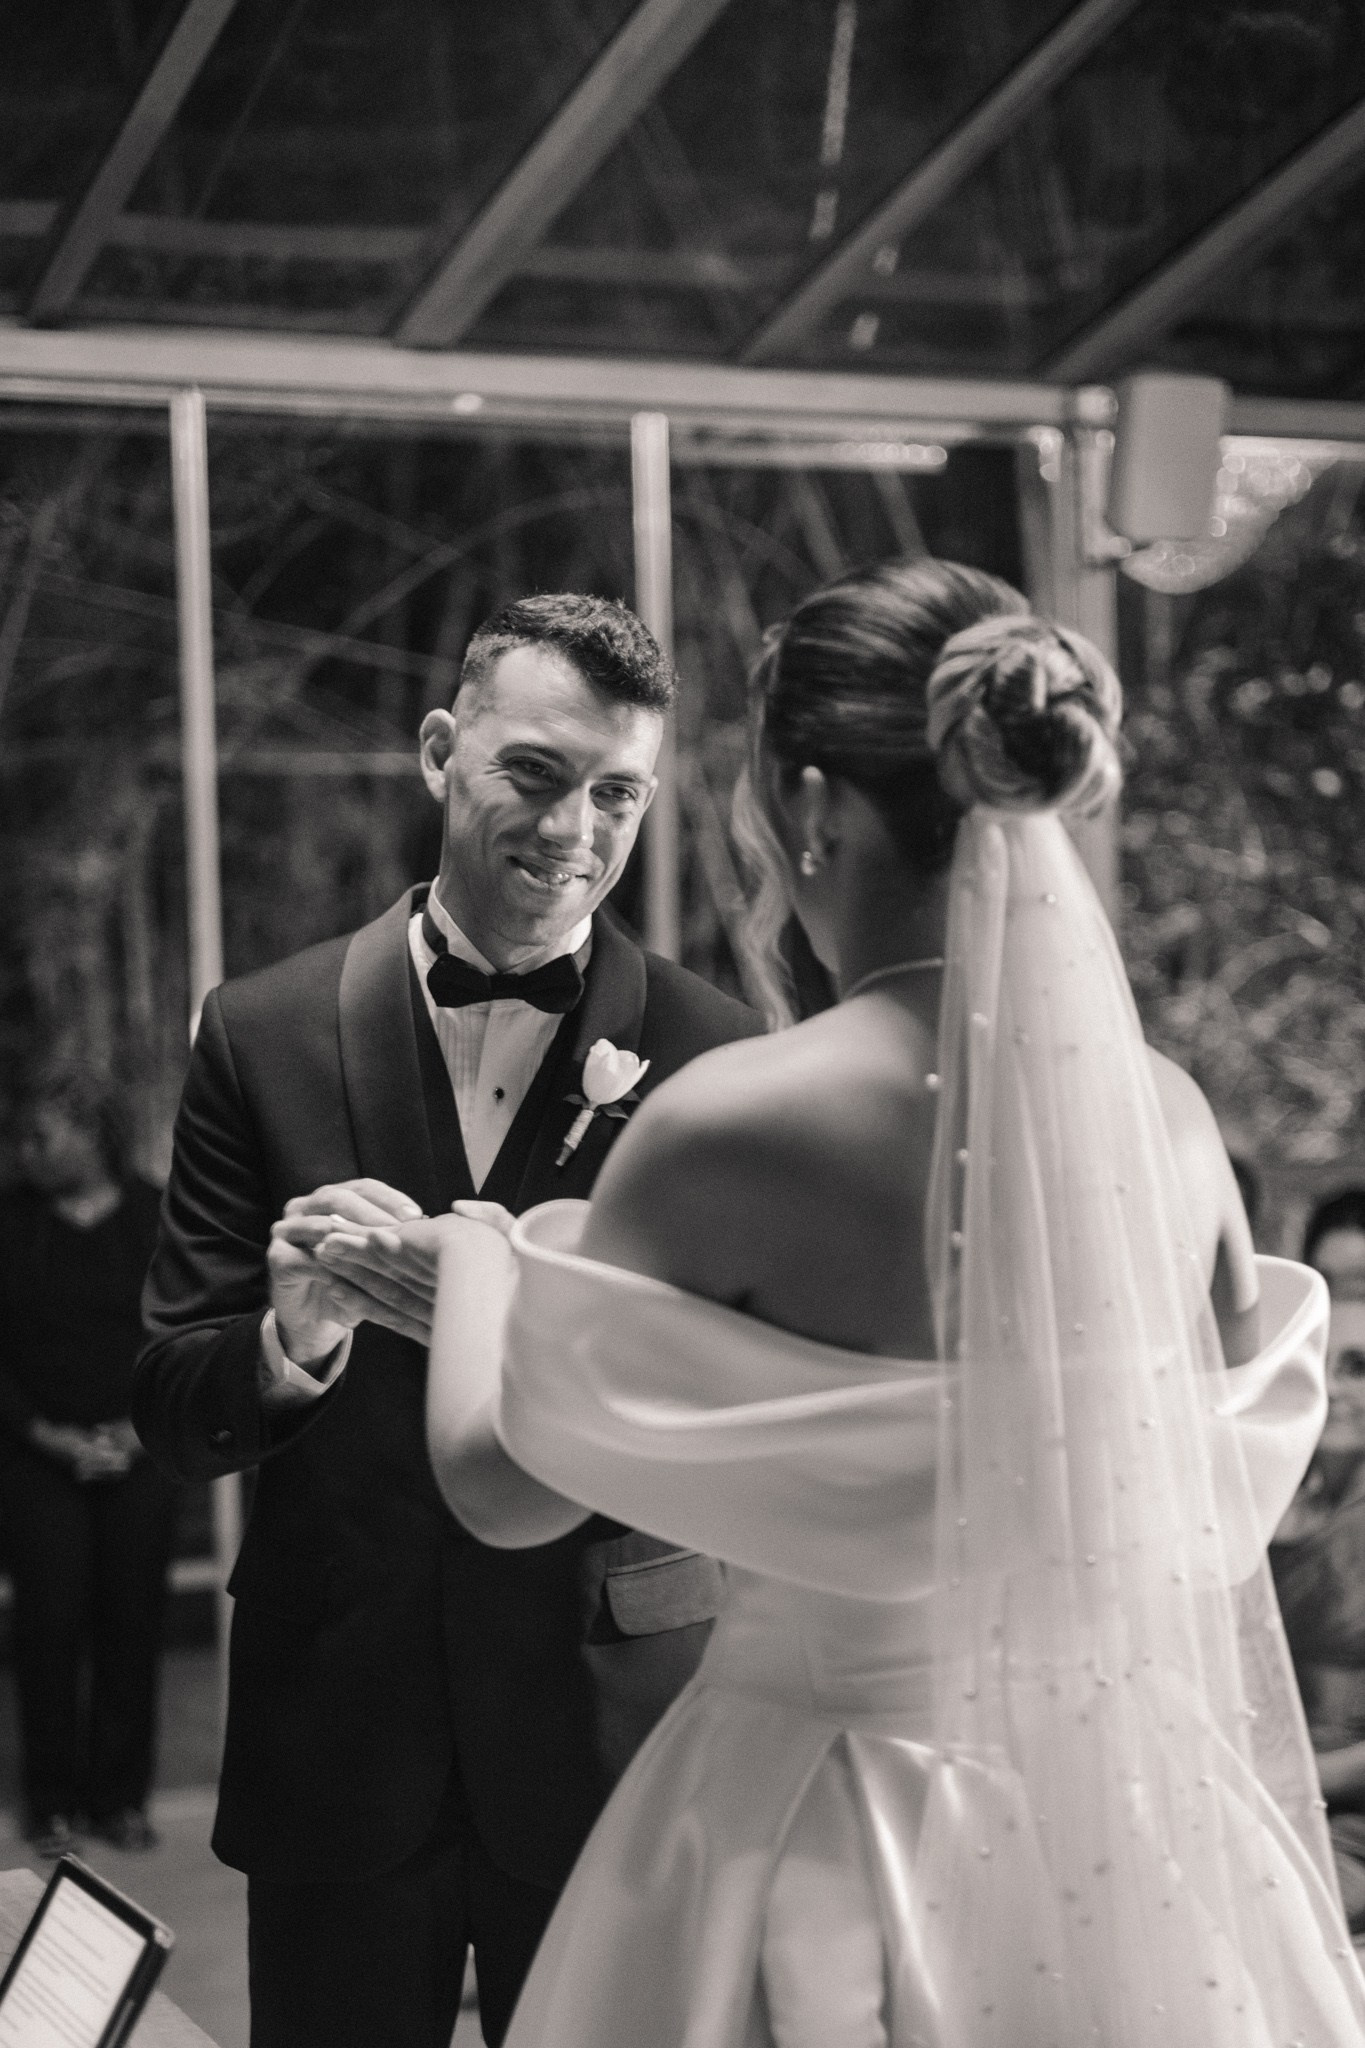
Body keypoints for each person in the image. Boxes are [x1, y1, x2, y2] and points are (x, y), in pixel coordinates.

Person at [370, 560, 1365, 2044]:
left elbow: (502, 1489)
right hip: (1126, 1823)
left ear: (813, 803)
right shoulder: (1166, 1118)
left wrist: (479, 1262)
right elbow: (1216, 1488)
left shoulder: (738, 1122)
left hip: (820, 1820)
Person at [133, 592, 761, 2048]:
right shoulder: (261, 1031)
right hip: (341, 1726)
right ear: (438, 751)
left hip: (615, 1729)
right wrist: (292, 1342)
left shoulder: (716, 1052)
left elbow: (733, 1405)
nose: (573, 829)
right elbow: (170, 1395)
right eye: (534, 772)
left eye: (617, 793)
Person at [0, 1065, 173, 1859]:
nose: (25, 1152)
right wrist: (46, 1435)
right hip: (38, 1457)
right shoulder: (11, 1221)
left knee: (132, 1627)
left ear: (91, 1133)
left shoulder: (154, 1214)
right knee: (48, 1626)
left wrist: (138, 1431)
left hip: (139, 1450)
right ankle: (51, 1803)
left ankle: (121, 1800)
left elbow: (182, 1331)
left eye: (42, 1136)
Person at [1272, 1189, 1365, 1935]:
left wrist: (1292, 1781)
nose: (1333, 1386)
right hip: (1257, 1789)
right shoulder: (1262, 1482)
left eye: (1357, 1367)